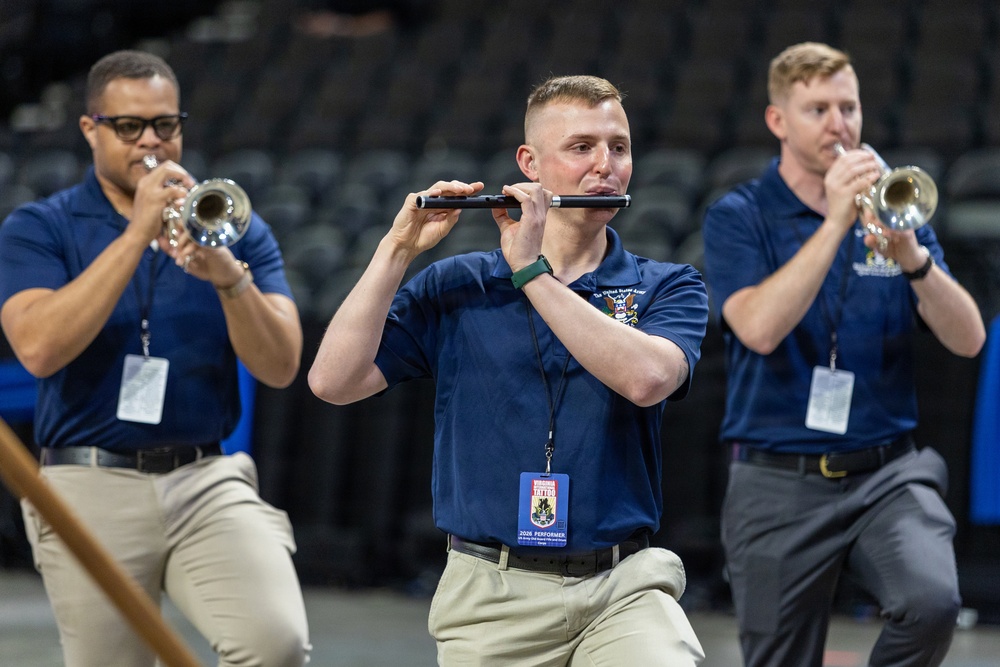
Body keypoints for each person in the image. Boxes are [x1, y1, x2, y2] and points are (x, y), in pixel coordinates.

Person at [308, 75, 707, 665]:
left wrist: (532, 275)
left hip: (622, 584)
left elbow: (648, 380)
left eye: (618, 147)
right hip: (488, 592)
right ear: (530, 164)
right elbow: (333, 382)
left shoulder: (667, 285)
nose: (606, 165)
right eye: (581, 148)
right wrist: (396, 250)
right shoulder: (459, 284)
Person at [0, 50, 310, 666]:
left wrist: (229, 279)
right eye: (129, 126)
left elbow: (281, 366)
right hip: (87, 480)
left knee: (276, 645)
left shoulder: (233, 228)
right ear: (91, 128)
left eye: (165, 125)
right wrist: (136, 232)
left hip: (205, 477)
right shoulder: (39, 227)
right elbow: (37, 349)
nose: (152, 142)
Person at [702, 42, 986, 667]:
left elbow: (969, 340)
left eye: (850, 107)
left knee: (933, 602)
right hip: (777, 478)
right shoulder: (739, 215)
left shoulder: (894, 211)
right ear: (778, 121)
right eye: (818, 109)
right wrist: (834, 222)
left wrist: (913, 259)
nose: (840, 124)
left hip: (887, 473)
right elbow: (757, 329)